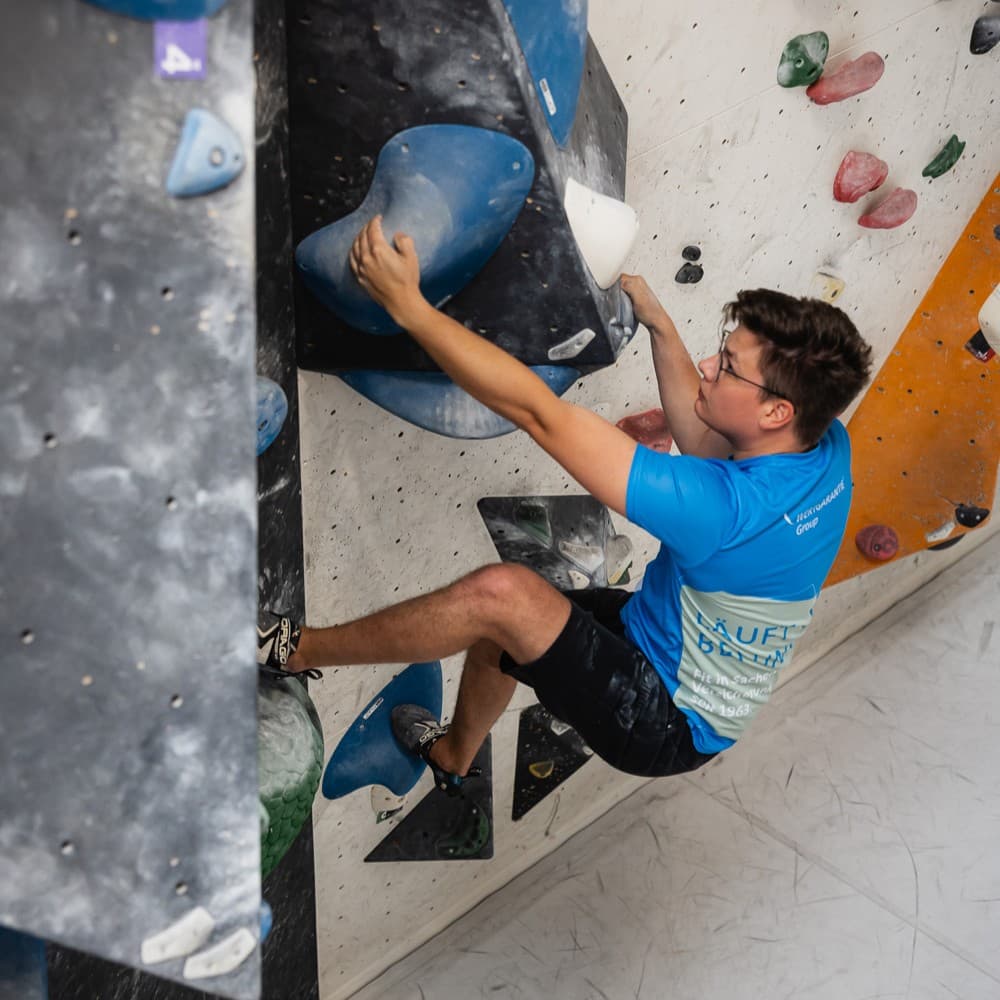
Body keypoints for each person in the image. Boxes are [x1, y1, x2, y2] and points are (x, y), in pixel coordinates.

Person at [258, 217, 873, 793]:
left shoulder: (723, 511)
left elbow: (538, 413)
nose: (709, 366)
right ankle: (451, 759)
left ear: (776, 412)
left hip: (663, 718)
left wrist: (410, 309)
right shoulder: (824, 443)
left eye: (728, 366)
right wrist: (659, 324)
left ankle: (291, 650)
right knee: (501, 636)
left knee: (502, 596)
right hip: (668, 641)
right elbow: (705, 436)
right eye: (721, 347)